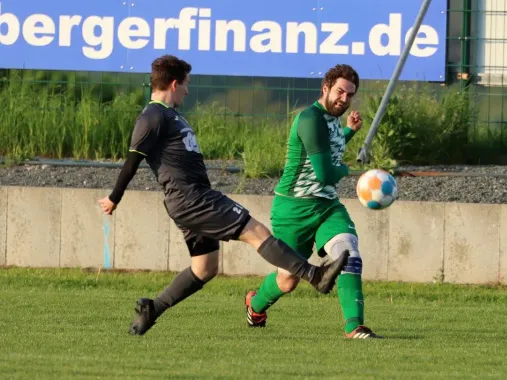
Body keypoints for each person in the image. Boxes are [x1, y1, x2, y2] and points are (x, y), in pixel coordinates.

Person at [97, 55, 349, 336]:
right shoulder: (152, 116)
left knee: (205, 268)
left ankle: (152, 309)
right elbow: (133, 158)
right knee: (256, 231)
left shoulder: (170, 115)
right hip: (193, 199)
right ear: (174, 83)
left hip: (192, 199)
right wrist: (114, 197)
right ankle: (315, 275)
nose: (188, 91)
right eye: (187, 85)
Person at [244, 64, 380, 339]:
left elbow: (329, 146)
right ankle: (255, 304)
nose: (344, 98)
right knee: (288, 279)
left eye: (350, 94)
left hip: (327, 206)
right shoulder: (309, 119)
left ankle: (354, 326)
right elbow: (327, 173)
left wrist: (349, 132)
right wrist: (351, 171)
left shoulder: (330, 119)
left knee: (348, 253)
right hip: (293, 209)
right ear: (326, 88)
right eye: (340, 91)